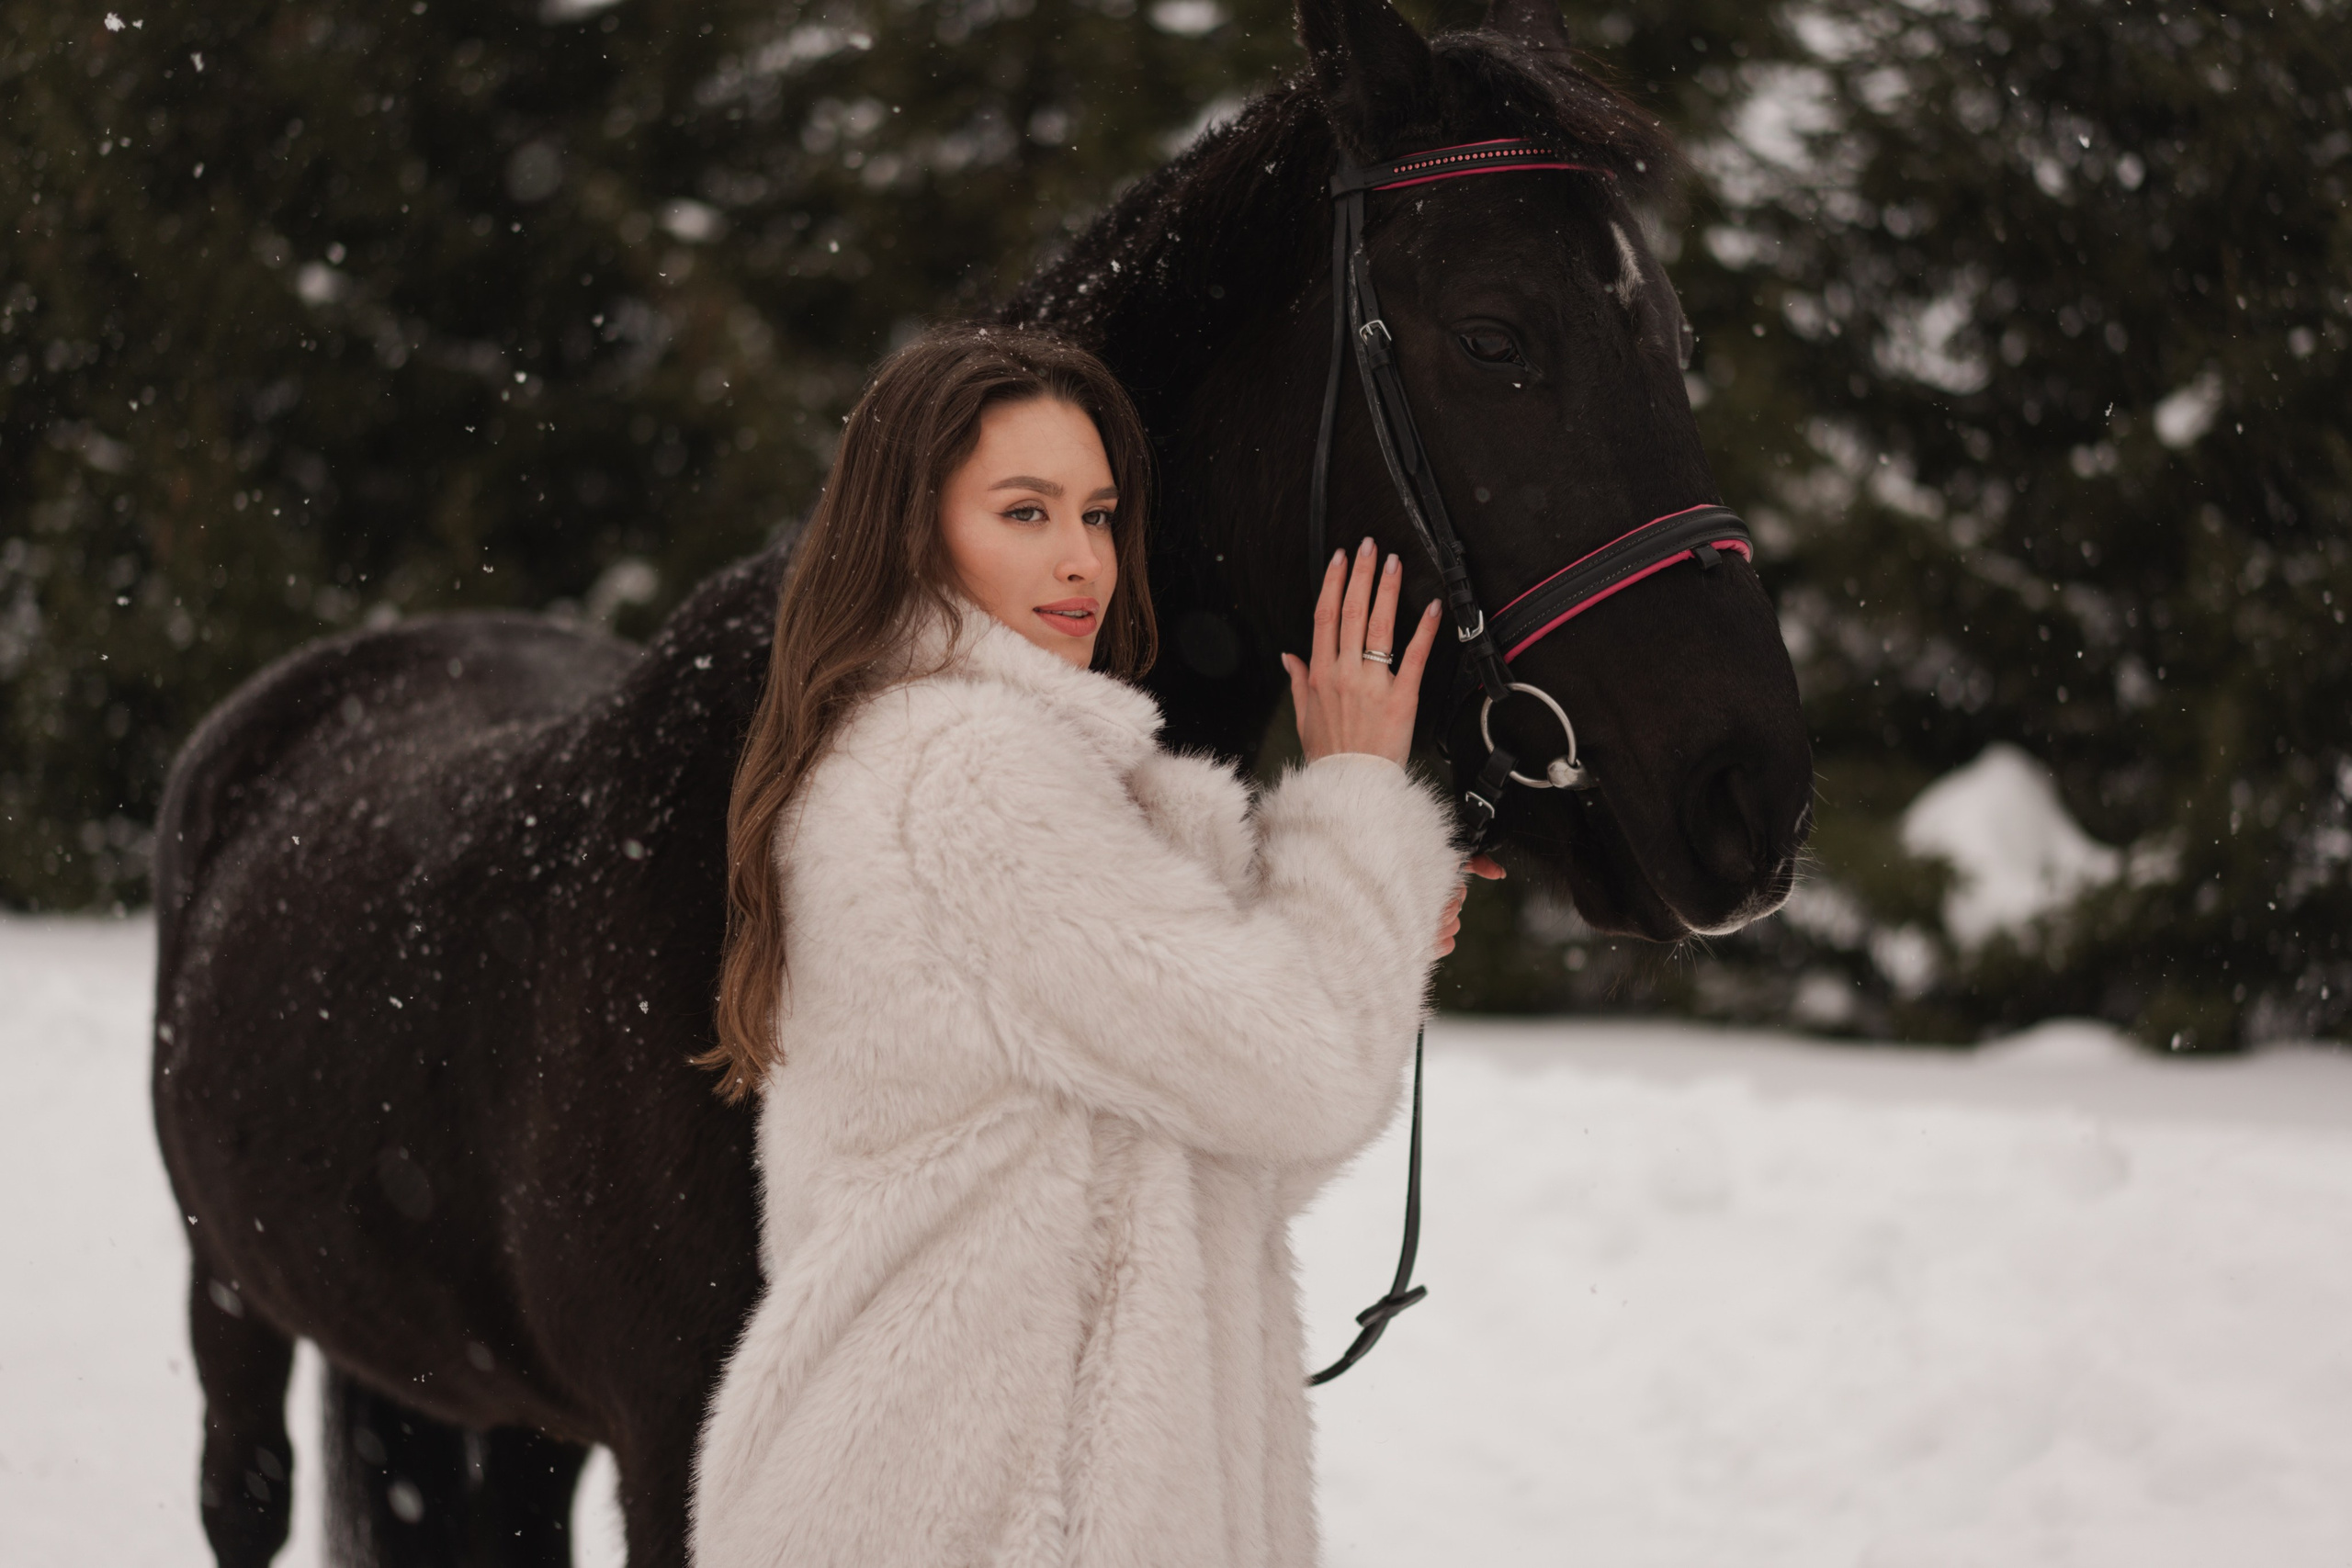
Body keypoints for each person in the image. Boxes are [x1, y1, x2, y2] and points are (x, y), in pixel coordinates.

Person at [688, 322, 1487, 1567]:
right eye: (1025, 512)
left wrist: (1364, 921)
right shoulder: (966, 773)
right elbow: (1307, 1070)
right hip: (980, 1515)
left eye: (1099, 515)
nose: (1081, 560)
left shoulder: (938, 757)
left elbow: (1224, 1150)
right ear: (914, 532)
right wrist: (1354, 800)